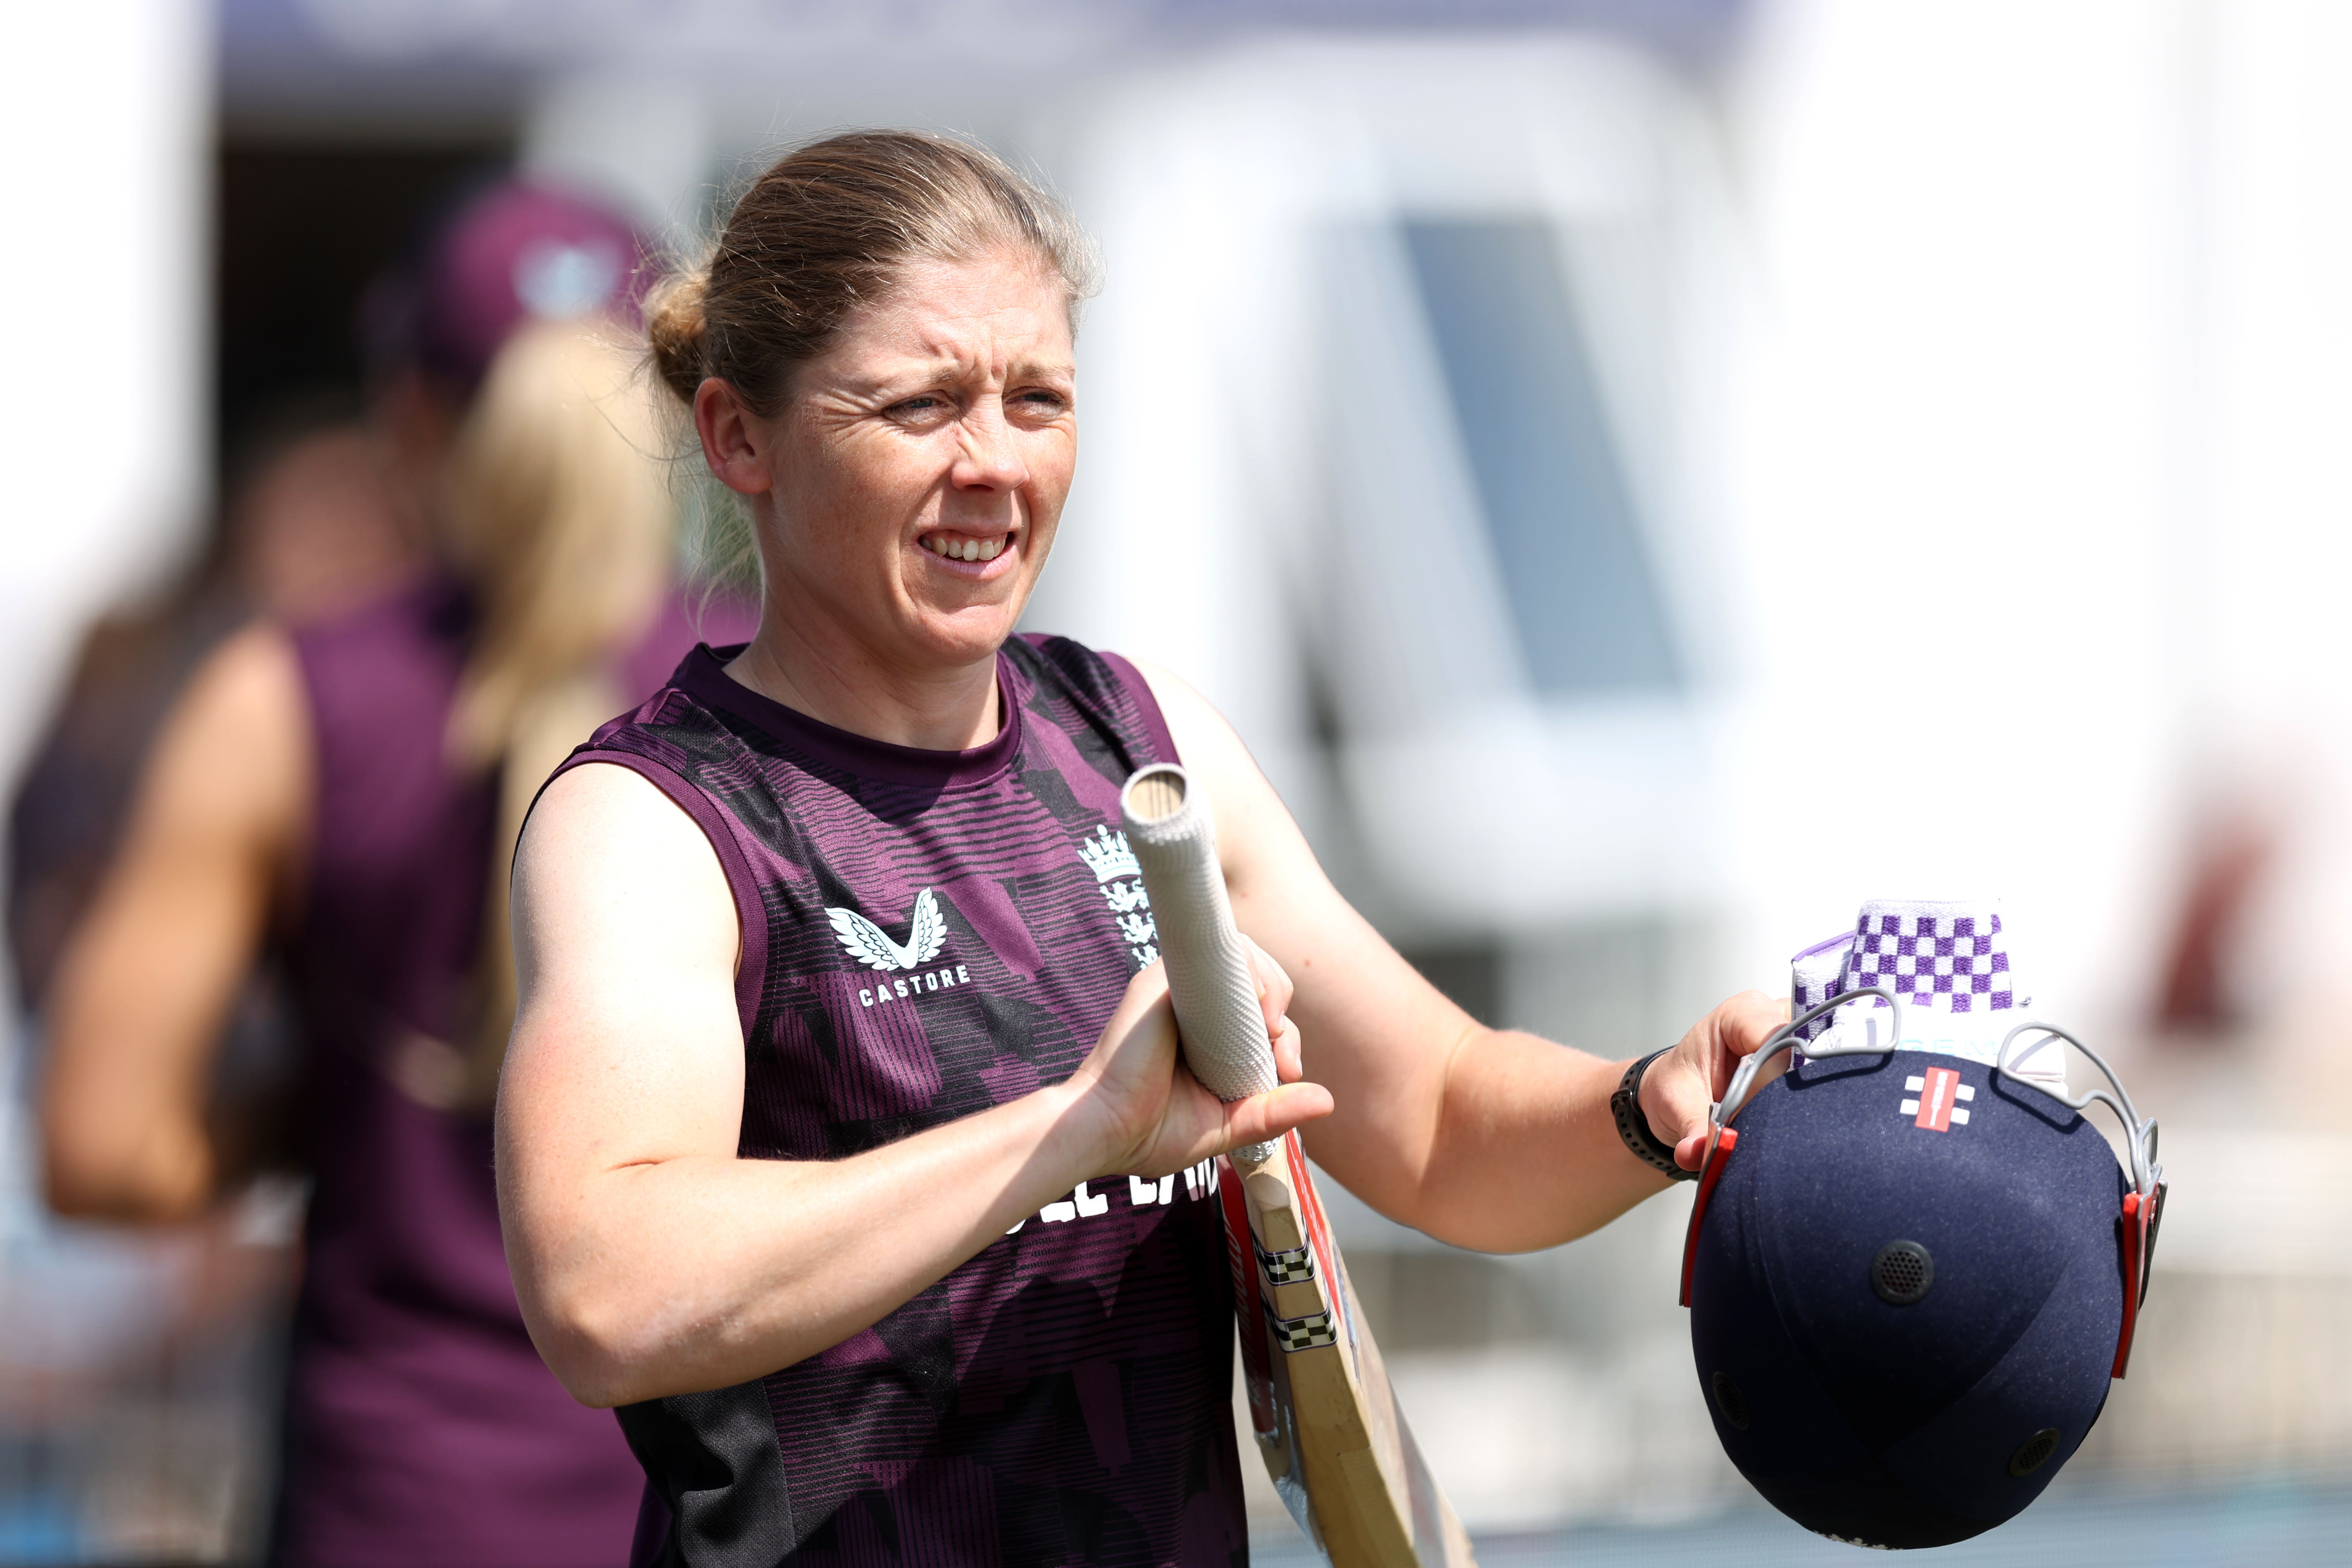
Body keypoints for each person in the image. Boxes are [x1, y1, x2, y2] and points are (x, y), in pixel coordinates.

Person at [495, 130, 1782, 1567]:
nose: (992, 462)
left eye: (1036, 399)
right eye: (921, 404)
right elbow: (604, 1290)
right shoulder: (664, 817)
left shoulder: (1136, 740)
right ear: (740, 436)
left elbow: (1436, 1119)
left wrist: (1652, 1101)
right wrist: (1075, 1131)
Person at [37, 181, 744, 1566]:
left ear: (409, 409)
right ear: (687, 408)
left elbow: (105, 1150)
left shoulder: (282, 701)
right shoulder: (785, 698)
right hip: (721, 1502)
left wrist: (326, 1102)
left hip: (402, 1498)